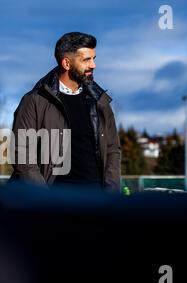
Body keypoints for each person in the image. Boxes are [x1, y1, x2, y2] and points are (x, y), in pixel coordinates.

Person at [10, 32, 121, 191]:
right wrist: (43, 199)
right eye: (86, 60)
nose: (93, 65)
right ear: (67, 63)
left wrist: (111, 194)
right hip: (55, 200)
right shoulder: (34, 101)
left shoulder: (100, 101)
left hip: (96, 200)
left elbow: (112, 150)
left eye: (93, 58)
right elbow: (22, 154)